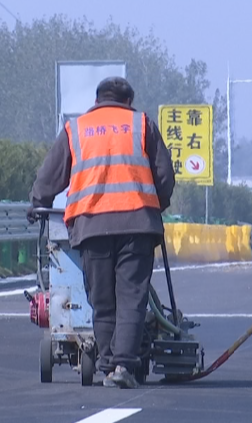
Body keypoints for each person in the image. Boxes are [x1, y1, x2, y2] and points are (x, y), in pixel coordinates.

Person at [28, 77, 175, 389]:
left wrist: (38, 203)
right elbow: (164, 176)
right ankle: (123, 366)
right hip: (137, 225)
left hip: (91, 226)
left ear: (97, 101)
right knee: (131, 298)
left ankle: (107, 366)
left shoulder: (77, 129)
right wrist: (156, 206)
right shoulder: (141, 125)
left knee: (103, 300)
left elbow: (50, 174)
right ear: (128, 101)